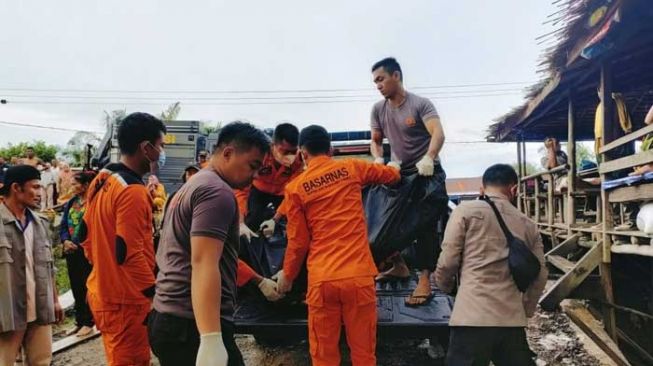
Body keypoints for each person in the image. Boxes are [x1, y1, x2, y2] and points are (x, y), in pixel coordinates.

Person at [275, 125, 401, 366]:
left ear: (302, 153)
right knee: (364, 355)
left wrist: (288, 276)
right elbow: (391, 177)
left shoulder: (295, 189)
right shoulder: (350, 168)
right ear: (331, 150)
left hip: (323, 281)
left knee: (324, 356)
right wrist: (393, 167)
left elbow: (298, 243)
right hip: (358, 277)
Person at [149, 122, 270, 366]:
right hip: (190, 324)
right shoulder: (216, 192)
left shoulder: (190, 187)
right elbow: (204, 262)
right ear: (228, 153)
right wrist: (210, 338)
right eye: (252, 165)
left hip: (169, 317)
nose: (255, 176)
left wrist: (257, 278)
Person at [435, 164, 548, 366]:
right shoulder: (528, 224)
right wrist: (525, 310)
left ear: (482, 188)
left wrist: (444, 286)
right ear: (514, 190)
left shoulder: (464, 211)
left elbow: (448, 260)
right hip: (511, 322)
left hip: (471, 318)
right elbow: (540, 275)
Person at [82, 112, 167, 366]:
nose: (161, 153)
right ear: (146, 148)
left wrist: (103, 268)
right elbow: (129, 253)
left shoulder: (102, 179)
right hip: (126, 301)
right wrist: (154, 294)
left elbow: (84, 236)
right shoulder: (133, 192)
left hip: (101, 291)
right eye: (160, 145)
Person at [369, 57, 447, 306]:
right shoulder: (378, 109)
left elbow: (438, 133)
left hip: (427, 173)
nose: (378, 85)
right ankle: (399, 266)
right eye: (375, 82)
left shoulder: (419, 104)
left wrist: (429, 157)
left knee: (424, 225)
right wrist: (379, 158)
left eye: (381, 79)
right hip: (400, 173)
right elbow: (376, 139)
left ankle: (425, 280)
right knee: (386, 220)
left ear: (396, 76)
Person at [0, 165, 64, 366]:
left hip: (39, 307)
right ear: (16, 188)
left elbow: (49, 267)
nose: (39, 194)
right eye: (35, 187)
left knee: (42, 361)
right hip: (7, 311)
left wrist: (54, 300)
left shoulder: (40, 223)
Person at [234, 123, 302, 240]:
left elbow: (293, 191)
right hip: (258, 191)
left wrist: (275, 218)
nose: (289, 156)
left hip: (282, 193)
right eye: (284, 151)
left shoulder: (299, 161)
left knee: (289, 223)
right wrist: (240, 222)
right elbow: (241, 189)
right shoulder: (260, 156)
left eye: (293, 151)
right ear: (273, 146)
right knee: (252, 221)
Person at [60, 171, 97, 337]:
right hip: (71, 251)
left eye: (75, 184)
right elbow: (63, 225)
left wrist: (75, 243)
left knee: (86, 286)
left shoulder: (93, 203)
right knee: (75, 286)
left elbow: (90, 227)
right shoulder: (71, 203)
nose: (71, 187)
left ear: (85, 185)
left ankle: (89, 321)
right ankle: (79, 320)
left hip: (86, 252)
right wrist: (65, 240)